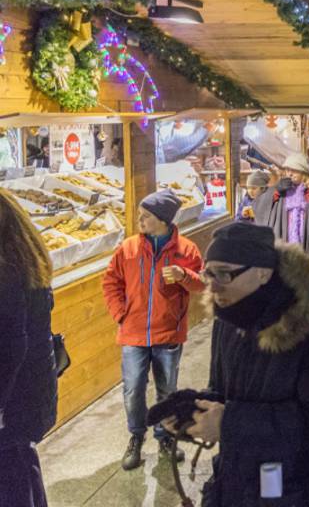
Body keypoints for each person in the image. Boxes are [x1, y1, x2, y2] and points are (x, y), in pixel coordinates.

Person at [182, 223, 309, 507]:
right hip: (239, 482)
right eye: (209, 273)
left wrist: (228, 423)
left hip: (298, 491)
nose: (212, 286)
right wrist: (193, 410)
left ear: (262, 272)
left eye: (224, 273)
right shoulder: (229, 318)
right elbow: (224, 392)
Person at [101, 189, 203, 470]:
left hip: (168, 332)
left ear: (162, 219)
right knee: (133, 388)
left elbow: (201, 284)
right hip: (133, 333)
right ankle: (136, 436)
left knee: (167, 391)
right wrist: (121, 313)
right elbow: (110, 282)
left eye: (145, 216)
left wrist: (185, 276)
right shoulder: (128, 248)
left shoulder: (187, 250)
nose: (140, 220)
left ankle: (166, 437)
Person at [0, 190, 57, 507]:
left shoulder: (6, 274)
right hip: (28, 404)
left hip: (11, 410)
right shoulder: (25, 260)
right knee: (22, 469)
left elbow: (11, 349)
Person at [253, 152, 309, 245]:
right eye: (288, 170)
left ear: (303, 172)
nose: (290, 174)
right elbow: (259, 206)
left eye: (294, 170)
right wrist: (277, 190)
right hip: (285, 242)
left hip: (306, 241)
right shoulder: (282, 190)